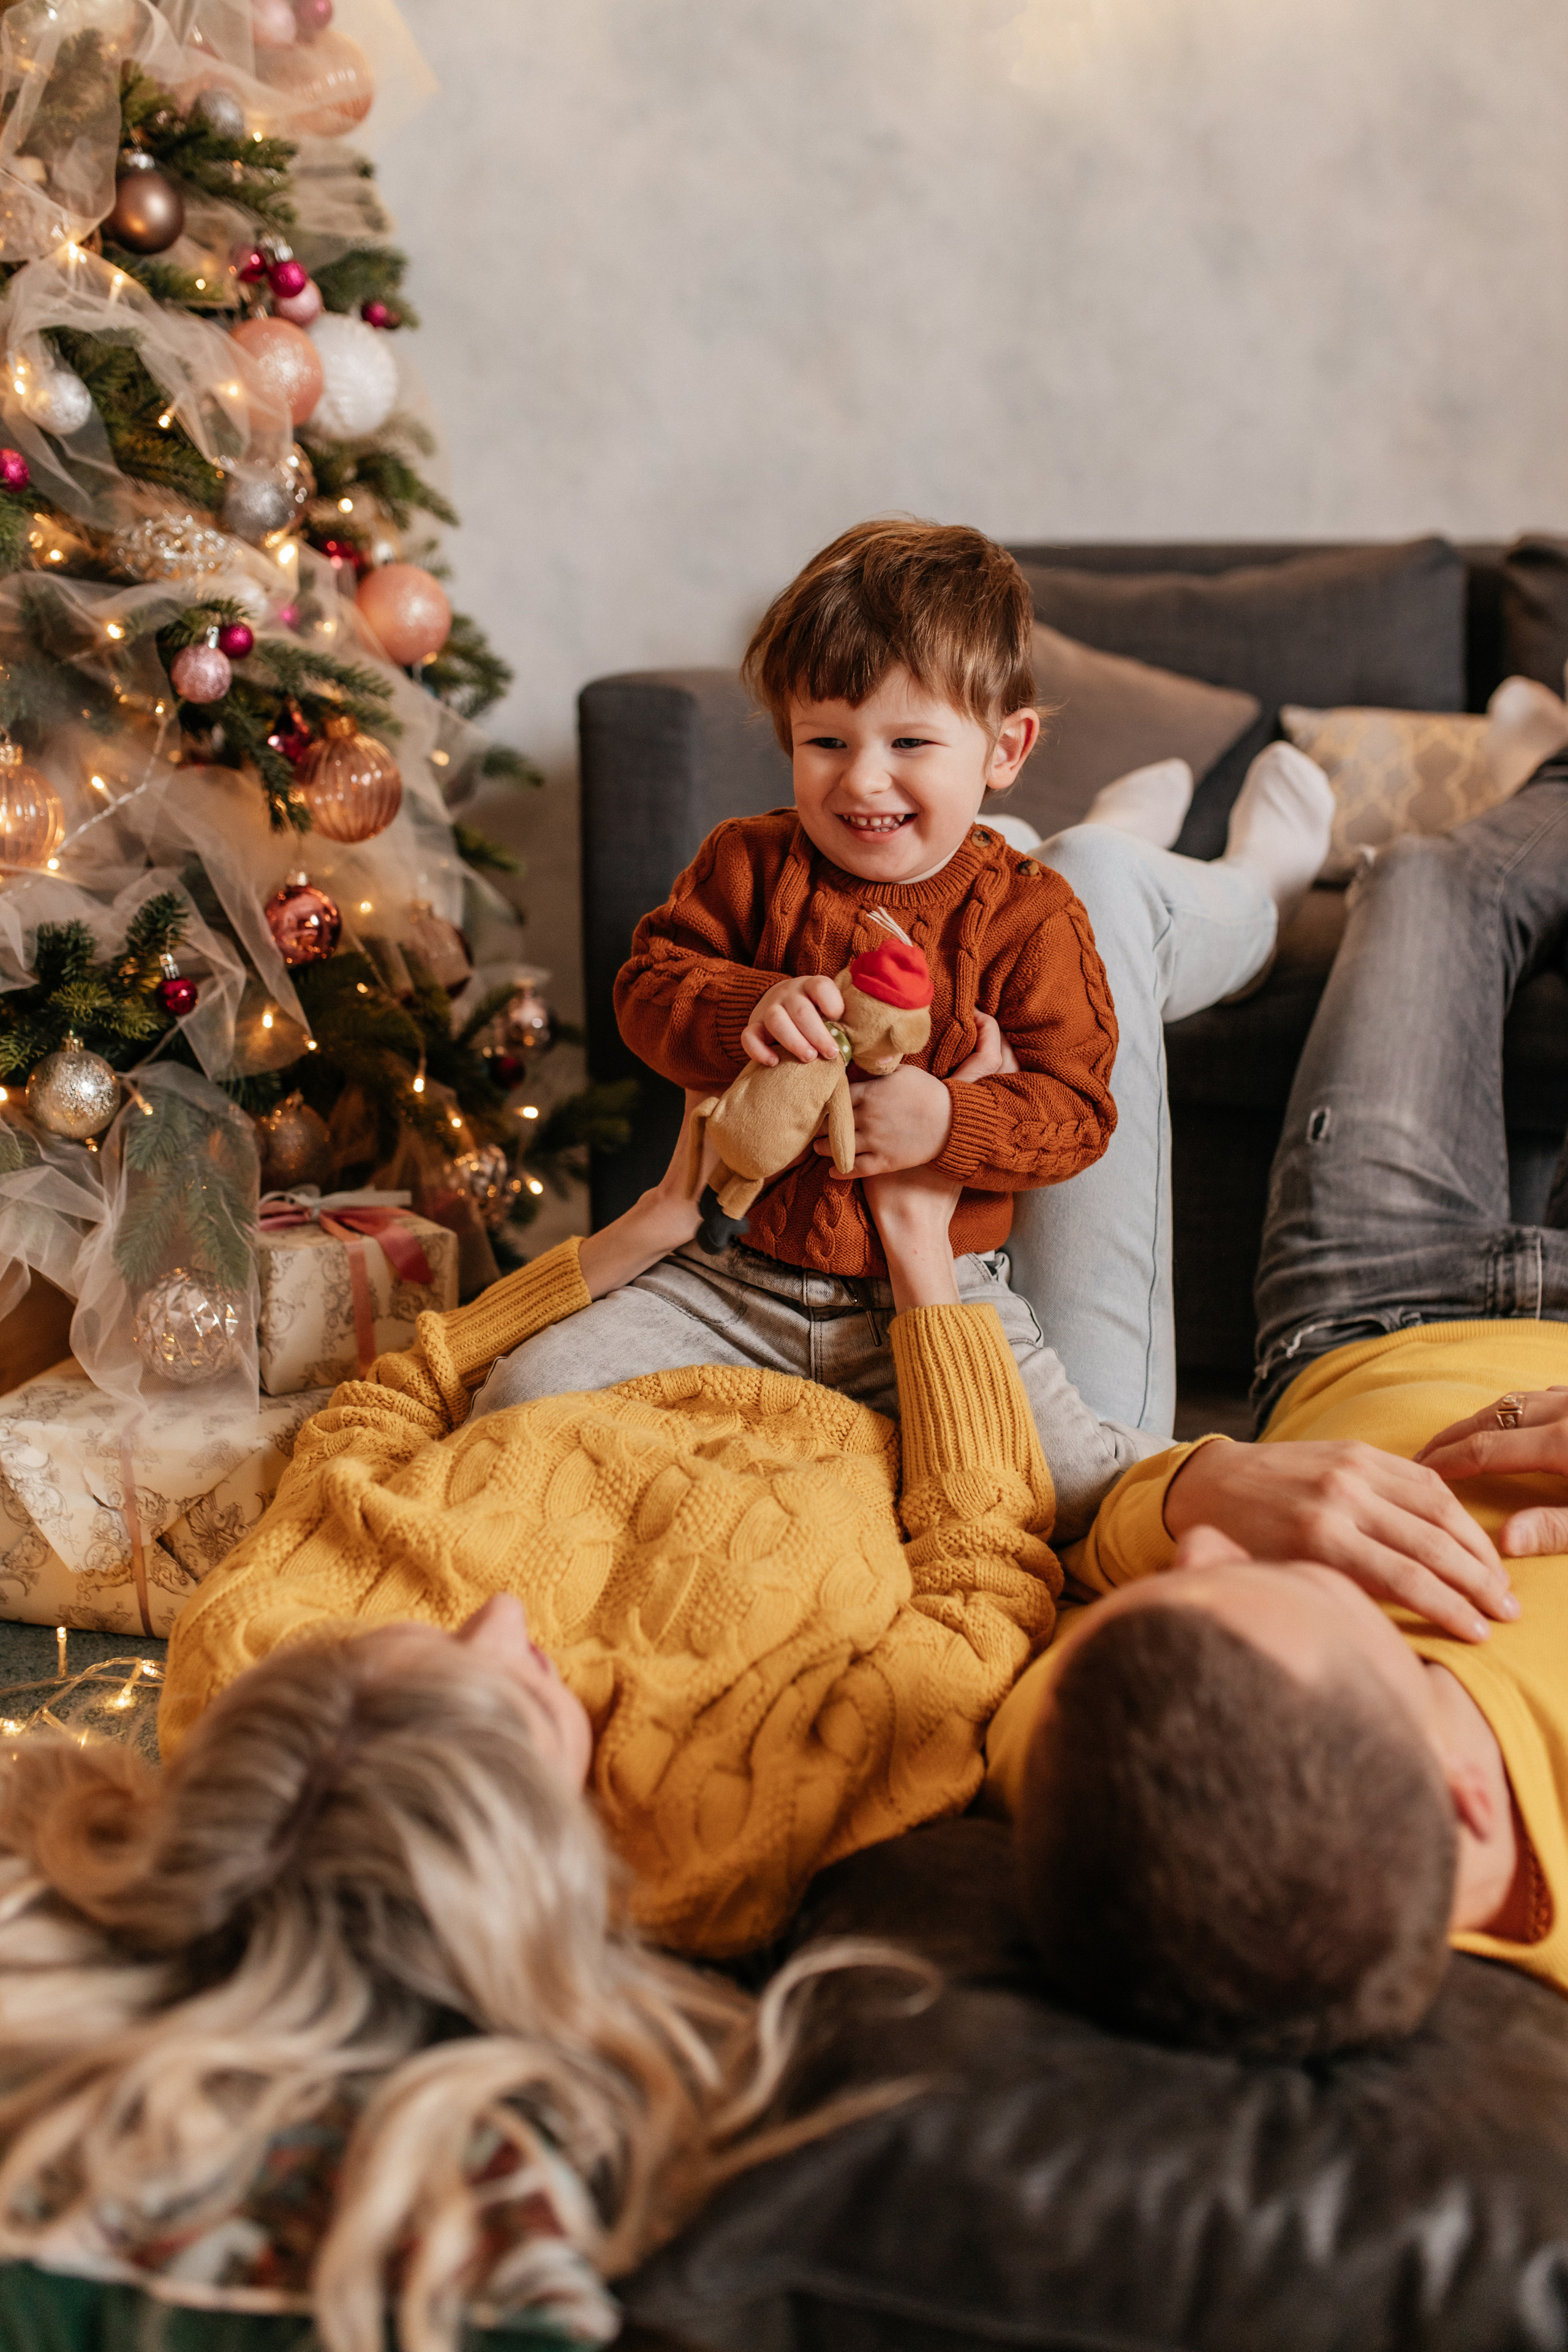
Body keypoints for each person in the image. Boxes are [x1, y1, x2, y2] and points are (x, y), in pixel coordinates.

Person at [478, 514, 1336, 1536]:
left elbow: (1076, 1113)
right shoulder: (747, 864)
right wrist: (747, 1003)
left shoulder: (1036, 918)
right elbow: (647, 985)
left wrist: (947, 1123)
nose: (862, 779)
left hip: (940, 1296)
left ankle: (1160, 851)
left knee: (1062, 1494)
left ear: (1006, 747)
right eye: (825, 742)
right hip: (729, 1280)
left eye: (910, 743)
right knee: (520, 1404)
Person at [986, 773, 1568, 2059]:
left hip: (1369, 1305)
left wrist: (1192, 1490)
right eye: (1312, 1593)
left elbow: (1071, 1541)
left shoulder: (1097, 1781)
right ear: (1469, 1803)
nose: (1207, 1559)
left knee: (1420, 878)